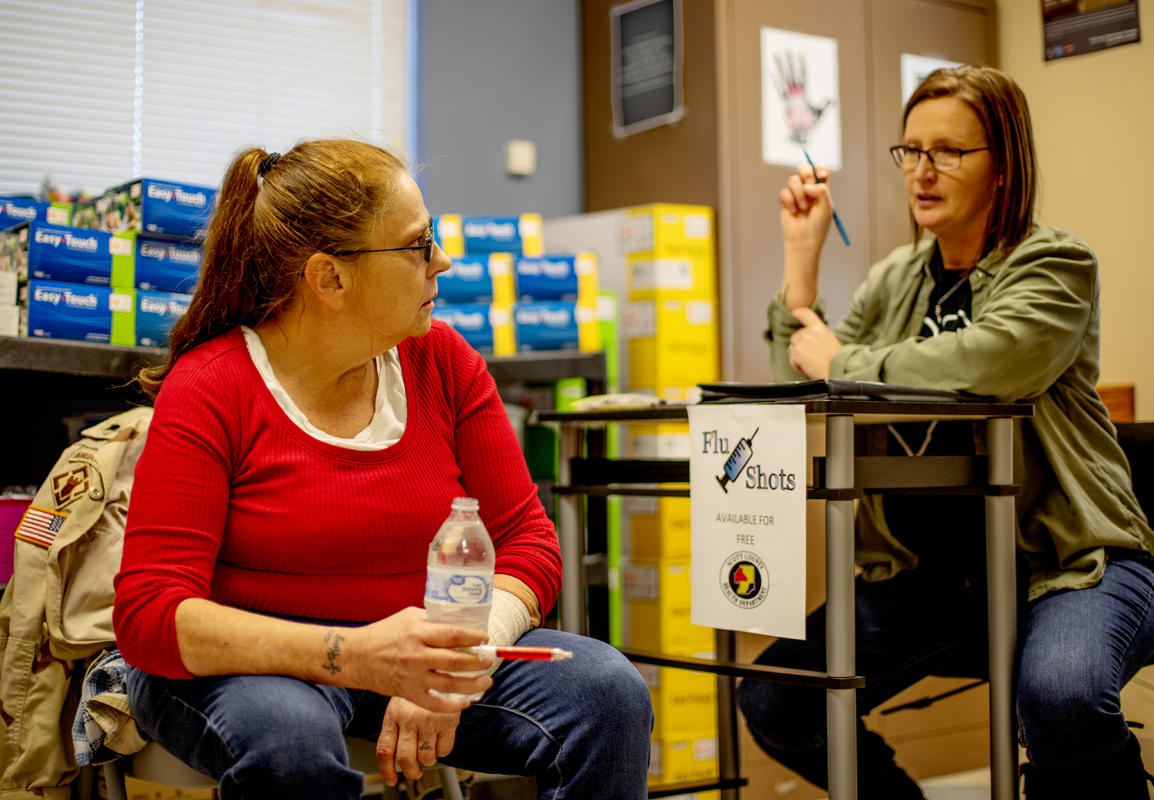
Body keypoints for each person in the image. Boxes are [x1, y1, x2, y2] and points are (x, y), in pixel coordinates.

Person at [112, 139, 653, 800]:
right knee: (291, 744)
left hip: (416, 656)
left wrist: (455, 663)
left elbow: (529, 544)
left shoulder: (443, 363)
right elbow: (149, 614)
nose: (443, 262)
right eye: (417, 245)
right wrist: (355, 654)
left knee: (609, 693)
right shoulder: (211, 385)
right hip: (250, 665)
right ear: (329, 279)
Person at [739, 65, 1154, 799]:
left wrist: (848, 359)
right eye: (911, 152)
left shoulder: (1054, 263)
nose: (922, 173)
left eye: (949, 152)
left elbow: (990, 361)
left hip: (1066, 566)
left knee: (1061, 699)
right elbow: (809, 388)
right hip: (936, 582)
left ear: (1005, 167)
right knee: (776, 698)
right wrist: (801, 267)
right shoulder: (896, 279)